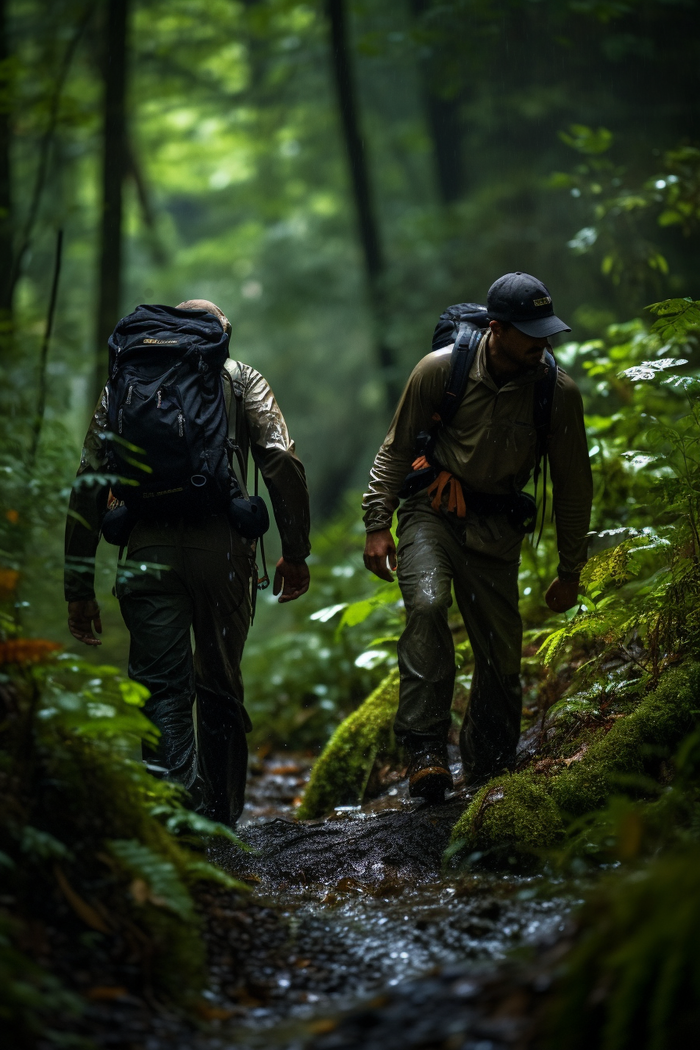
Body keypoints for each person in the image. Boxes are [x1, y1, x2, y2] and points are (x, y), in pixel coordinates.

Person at [64, 299, 311, 825]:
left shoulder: (125, 380)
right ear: (221, 332)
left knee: (161, 688)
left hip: (147, 547)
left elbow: (89, 478)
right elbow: (282, 459)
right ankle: (222, 825)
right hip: (223, 548)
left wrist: (78, 584)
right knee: (219, 682)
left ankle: (179, 825)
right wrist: (294, 549)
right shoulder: (239, 377)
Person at [362, 272, 592, 801]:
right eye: (529, 331)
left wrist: (570, 569)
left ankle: (489, 773)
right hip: (430, 513)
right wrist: (377, 522)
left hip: (497, 529)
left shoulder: (556, 394)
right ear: (497, 329)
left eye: (546, 330)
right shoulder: (440, 371)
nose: (542, 342)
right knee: (426, 603)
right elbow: (396, 449)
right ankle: (424, 750)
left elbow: (574, 486)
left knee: (500, 655)